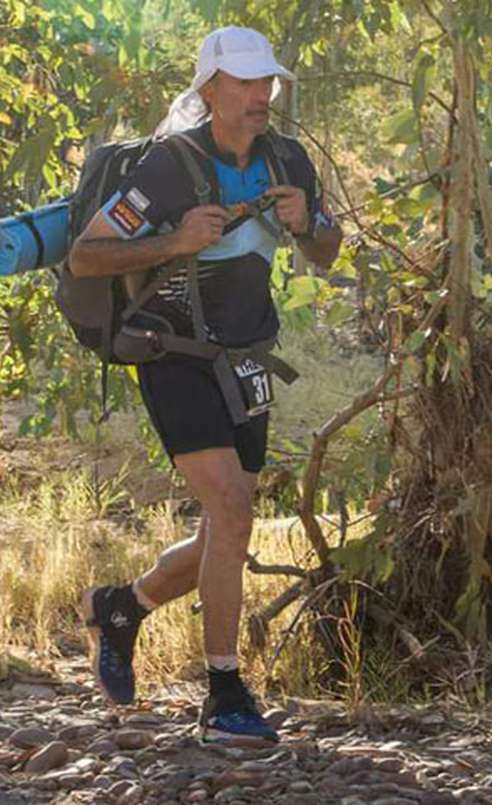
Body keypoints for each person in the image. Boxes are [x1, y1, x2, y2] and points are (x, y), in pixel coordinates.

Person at [66, 26, 342, 745]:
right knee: (233, 505)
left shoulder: (288, 158)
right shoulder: (169, 167)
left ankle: (123, 605)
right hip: (173, 351)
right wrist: (175, 241)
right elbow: (90, 255)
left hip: (247, 356)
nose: (260, 96)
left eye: (267, 83)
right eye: (245, 84)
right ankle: (224, 692)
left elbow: (328, 248)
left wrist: (307, 222)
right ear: (210, 88)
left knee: (228, 527)